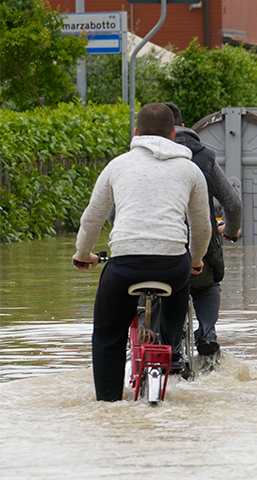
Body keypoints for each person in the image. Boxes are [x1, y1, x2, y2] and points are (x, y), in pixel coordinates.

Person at [72, 103, 211, 401]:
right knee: (181, 280)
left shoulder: (118, 165)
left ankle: (108, 402)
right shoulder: (191, 169)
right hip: (173, 266)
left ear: (136, 133)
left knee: (108, 335)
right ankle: (170, 346)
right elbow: (202, 228)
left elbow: (92, 218)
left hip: (124, 266)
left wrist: (83, 253)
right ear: (173, 134)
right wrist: (196, 259)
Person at [165, 102, 242, 363]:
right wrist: (229, 231)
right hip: (201, 248)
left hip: (155, 250)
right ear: (183, 127)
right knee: (207, 286)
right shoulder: (204, 156)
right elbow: (233, 203)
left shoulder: (139, 159)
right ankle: (208, 334)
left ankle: (161, 341)